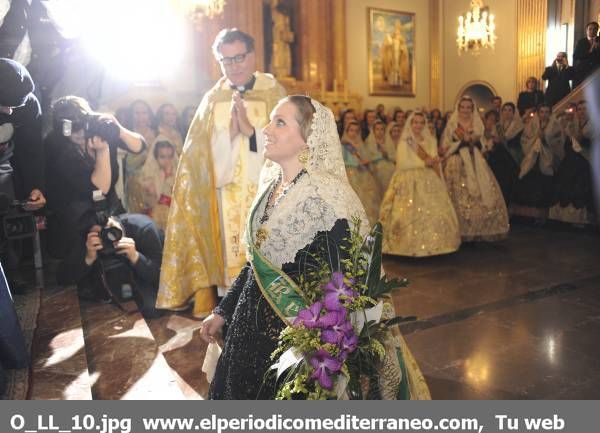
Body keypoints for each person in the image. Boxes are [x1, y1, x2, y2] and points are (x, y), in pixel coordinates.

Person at [200, 95, 429, 400]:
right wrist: (223, 310)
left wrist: (324, 349)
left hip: (291, 347)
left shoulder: (328, 200)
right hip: (247, 335)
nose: (266, 129)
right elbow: (256, 264)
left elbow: (343, 284)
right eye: (270, 120)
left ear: (307, 137)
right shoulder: (269, 188)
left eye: (279, 122)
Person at [156, 29, 286, 318]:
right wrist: (229, 134)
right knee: (231, 257)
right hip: (224, 194)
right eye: (226, 60)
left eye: (239, 57)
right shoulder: (212, 99)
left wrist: (250, 133)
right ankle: (233, 311)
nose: (234, 65)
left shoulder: (273, 93)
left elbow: (290, 142)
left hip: (267, 189)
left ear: (253, 55)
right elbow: (198, 159)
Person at [44, 96, 145, 257]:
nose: (78, 134)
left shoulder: (99, 130)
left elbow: (139, 146)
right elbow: (98, 188)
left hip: (110, 209)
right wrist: (102, 151)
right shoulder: (56, 144)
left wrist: (118, 128)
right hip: (77, 218)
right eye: (71, 129)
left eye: (80, 125)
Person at [380, 112, 460, 257]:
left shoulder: (430, 140)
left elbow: (433, 155)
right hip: (408, 179)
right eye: (415, 122)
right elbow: (402, 162)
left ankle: (436, 244)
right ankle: (405, 245)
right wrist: (424, 162)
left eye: (421, 122)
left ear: (424, 124)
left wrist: (434, 159)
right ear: (410, 124)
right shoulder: (405, 141)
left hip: (428, 178)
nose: (418, 125)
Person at [57, 213, 163, 319]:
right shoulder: (86, 240)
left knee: (152, 309)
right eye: (100, 235)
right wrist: (88, 258)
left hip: (139, 278)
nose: (108, 237)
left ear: (112, 220)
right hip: (108, 282)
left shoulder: (142, 227)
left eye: (110, 230)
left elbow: (159, 277)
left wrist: (136, 257)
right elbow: (63, 278)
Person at [440, 96, 509, 241]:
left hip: (475, 161)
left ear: (472, 109)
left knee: (481, 195)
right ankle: (458, 229)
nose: (465, 110)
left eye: (468, 107)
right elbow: (445, 146)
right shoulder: (452, 124)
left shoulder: (477, 124)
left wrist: (474, 142)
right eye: (462, 107)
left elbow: (483, 145)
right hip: (457, 162)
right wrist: (460, 143)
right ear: (458, 108)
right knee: (459, 196)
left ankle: (476, 230)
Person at [512, 104, 562, 220]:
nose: (544, 114)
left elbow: (558, 142)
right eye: (542, 112)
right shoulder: (532, 124)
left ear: (550, 113)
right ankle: (528, 213)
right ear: (538, 113)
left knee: (544, 183)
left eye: (546, 112)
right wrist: (535, 138)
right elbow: (524, 139)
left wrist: (545, 139)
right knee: (529, 181)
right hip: (533, 157)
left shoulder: (555, 125)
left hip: (547, 158)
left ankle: (542, 214)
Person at [550, 101, 595, 224]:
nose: (581, 112)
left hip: (586, 161)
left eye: (584, 109)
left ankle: (582, 219)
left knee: (580, 186)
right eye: (579, 109)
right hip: (570, 161)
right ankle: (564, 218)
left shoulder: (593, 125)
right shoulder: (571, 124)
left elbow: (584, 140)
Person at [340, 121, 382, 225]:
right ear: (347, 131)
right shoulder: (344, 145)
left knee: (367, 199)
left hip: (363, 174)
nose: (353, 133)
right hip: (350, 173)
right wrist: (355, 163)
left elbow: (367, 157)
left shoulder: (361, 144)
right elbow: (340, 160)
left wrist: (366, 161)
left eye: (356, 131)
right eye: (351, 130)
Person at [481, 110, 519, 205]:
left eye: (494, 120)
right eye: (490, 119)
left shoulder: (499, 129)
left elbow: (504, 144)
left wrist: (496, 141)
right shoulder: (480, 129)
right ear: (485, 120)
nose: (491, 122)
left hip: (497, 161)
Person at [142, 139, 177, 231]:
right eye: (162, 157)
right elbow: (150, 195)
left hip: (173, 210)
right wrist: (163, 176)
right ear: (156, 157)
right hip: (156, 211)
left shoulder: (175, 172)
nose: (167, 160)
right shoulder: (151, 174)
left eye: (170, 157)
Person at [365, 119, 395, 190]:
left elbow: (394, 156)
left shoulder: (389, 141)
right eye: (377, 129)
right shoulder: (369, 142)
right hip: (375, 167)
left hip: (389, 167)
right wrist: (381, 156)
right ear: (373, 130)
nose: (379, 131)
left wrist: (387, 155)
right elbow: (367, 158)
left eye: (382, 129)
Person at [269, 0, 294, 78]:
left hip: (282, 40)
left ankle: (283, 73)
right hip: (276, 40)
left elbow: (285, 28)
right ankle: (278, 73)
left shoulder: (283, 15)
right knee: (277, 54)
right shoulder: (274, 14)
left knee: (283, 55)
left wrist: (286, 34)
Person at [573, 22, 600, 88]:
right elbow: (576, 56)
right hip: (583, 73)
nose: (592, 31)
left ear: (597, 30)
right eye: (590, 29)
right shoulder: (581, 42)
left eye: (594, 29)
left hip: (597, 73)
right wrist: (590, 50)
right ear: (586, 30)